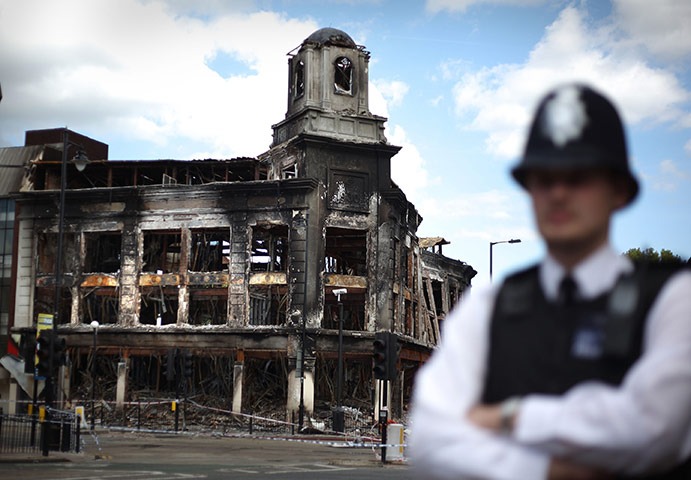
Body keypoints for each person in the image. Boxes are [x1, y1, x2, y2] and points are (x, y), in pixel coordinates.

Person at [408, 83, 691, 480]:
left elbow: (654, 427)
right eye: (544, 177)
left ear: (620, 190)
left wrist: (508, 417)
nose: (558, 193)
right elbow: (430, 439)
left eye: (579, 176)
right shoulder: (489, 307)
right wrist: (551, 468)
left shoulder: (674, 299)